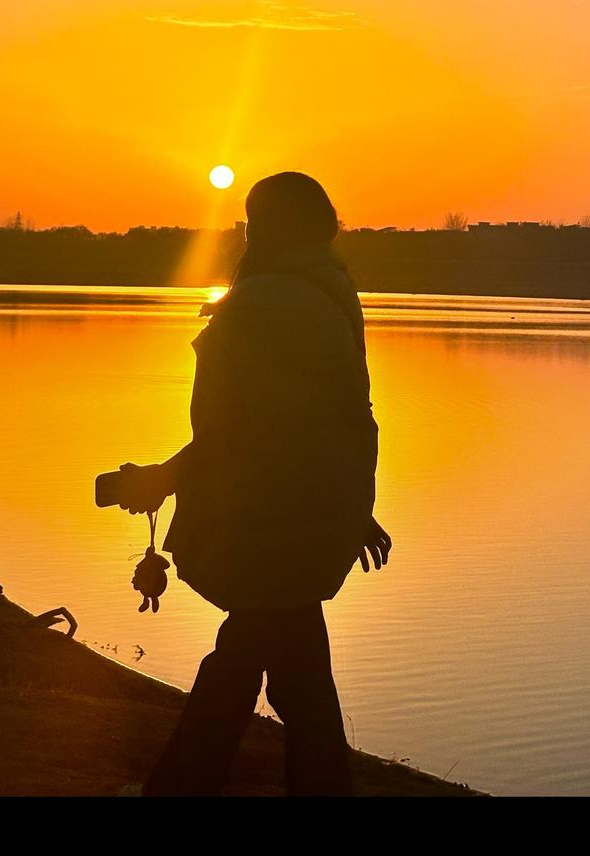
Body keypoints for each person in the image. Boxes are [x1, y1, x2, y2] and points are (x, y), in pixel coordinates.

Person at [116, 172, 390, 796]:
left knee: (249, 666)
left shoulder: (262, 306)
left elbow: (237, 433)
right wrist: (352, 507)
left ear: (272, 228)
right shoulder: (330, 293)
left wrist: (166, 478)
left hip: (264, 523)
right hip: (309, 519)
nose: (247, 234)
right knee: (286, 672)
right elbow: (341, 421)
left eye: (254, 221)